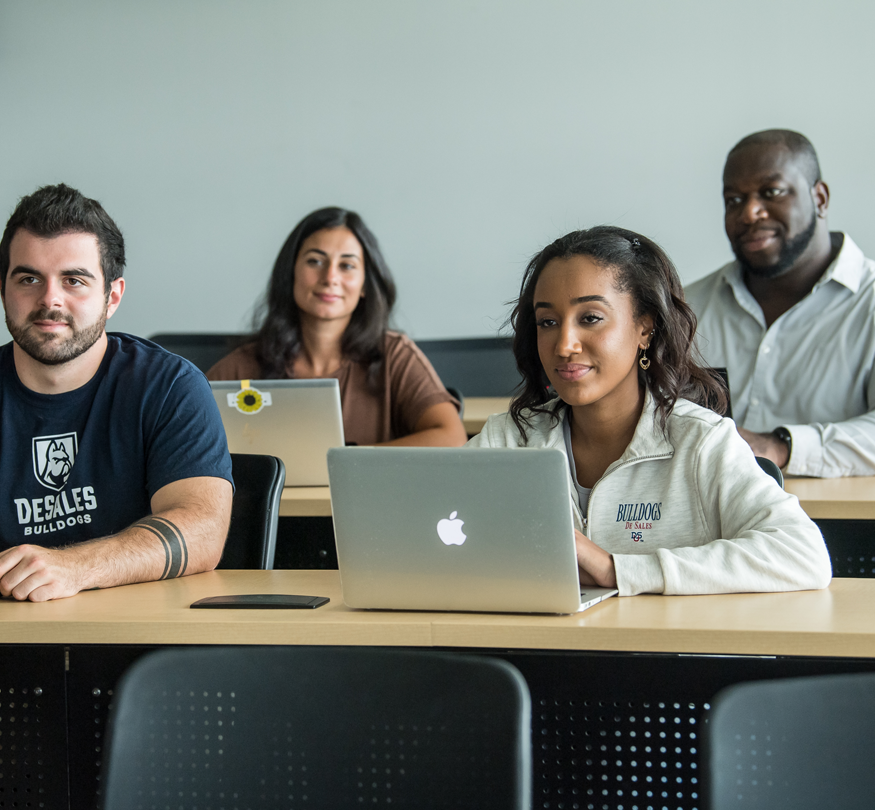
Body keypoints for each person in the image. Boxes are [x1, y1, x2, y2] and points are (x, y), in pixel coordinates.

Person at [469, 226, 831, 596]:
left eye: (590, 318)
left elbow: (803, 554)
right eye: (548, 322)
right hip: (536, 650)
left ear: (645, 328)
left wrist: (618, 570)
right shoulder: (507, 441)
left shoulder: (702, 442)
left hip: (665, 653)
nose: (564, 345)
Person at [0, 184, 233, 602]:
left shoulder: (169, 386)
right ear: (2, 289)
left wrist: (76, 566)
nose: (50, 299)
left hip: (136, 641)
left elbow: (203, 529)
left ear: (112, 296)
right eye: (29, 278)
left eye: (74, 281)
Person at [686, 129, 875, 477]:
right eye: (734, 200)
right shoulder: (686, 307)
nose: (749, 213)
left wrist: (779, 446)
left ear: (819, 198)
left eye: (770, 192)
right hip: (712, 524)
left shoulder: (869, 301)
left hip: (848, 526)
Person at [207, 207, 466, 447]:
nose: (330, 277)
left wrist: (345, 462)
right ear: (291, 272)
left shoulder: (394, 356)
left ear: (365, 284)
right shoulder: (241, 367)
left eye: (347, 265)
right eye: (315, 261)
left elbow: (452, 437)